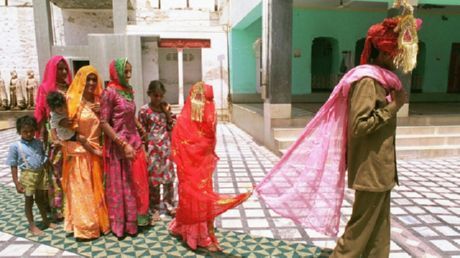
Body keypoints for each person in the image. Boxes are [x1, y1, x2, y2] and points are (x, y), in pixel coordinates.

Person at [256, 3, 421, 258]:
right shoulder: (367, 81)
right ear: (385, 52)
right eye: (395, 52)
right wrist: (394, 106)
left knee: (379, 228)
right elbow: (359, 125)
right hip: (371, 169)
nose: (398, 59)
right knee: (360, 229)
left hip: (381, 169)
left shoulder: (384, 81)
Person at [168, 81, 252, 252]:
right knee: (194, 197)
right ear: (197, 101)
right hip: (190, 170)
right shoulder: (184, 121)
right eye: (207, 101)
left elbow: (207, 142)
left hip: (201, 170)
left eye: (211, 101)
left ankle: (192, 230)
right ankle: (195, 235)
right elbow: (180, 144)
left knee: (199, 196)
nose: (210, 106)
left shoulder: (199, 120)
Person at [100, 58, 149, 238]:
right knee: (122, 186)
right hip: (119, 146)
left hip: (134, 142)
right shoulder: (109, 92)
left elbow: (129, 114)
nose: (129, 75)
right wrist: (122, 143)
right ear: (117, 72)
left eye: (130, 71)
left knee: (135, 184)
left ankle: (133, 222)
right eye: (125, 72)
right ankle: (120, 225)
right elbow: (104, 122)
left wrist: (139, 127)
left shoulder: (128, 91)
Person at [61, 65, 110, 240]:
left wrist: (103, 112)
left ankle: (98, 224)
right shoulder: (72, 100)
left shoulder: (100, 100)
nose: (91, 82)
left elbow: (109, 125)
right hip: (79, 155)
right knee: (82, 192)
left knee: (97, 190)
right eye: (87, 79)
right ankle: (85, 228)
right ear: (81, 80)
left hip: (97, 153)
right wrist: (80, 139)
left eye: (94, 79)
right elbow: (62, 129)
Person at [34, 56, 72, 221]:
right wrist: (39, 140)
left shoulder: (71, 88)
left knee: (71, 172)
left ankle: (72, 206)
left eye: (65, 69)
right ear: (52, 70)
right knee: (56, 173)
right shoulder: (45, 88)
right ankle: (58, 208)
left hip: (71, 135)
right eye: (60, 69)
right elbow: (41, 115)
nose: (64, 72)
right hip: (54, 137)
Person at [6, 115, 57, 236]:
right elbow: (13, 165)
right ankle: (32, 226)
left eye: (31, 131)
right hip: (27, 176)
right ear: (19, 132)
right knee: (29, 200)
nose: (28, 134)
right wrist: (16, 182)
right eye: (25, 132)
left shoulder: (38, 143)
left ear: (35, 130)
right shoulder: (15, 147)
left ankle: (45, 220)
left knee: (41, 199)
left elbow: (42, 156)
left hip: (40, 174)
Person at [138, 80, 177, 224]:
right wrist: (144, 151)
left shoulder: (165, 109)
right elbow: (141, 132)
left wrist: (167, 113)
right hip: (152, 149)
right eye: (155, 96)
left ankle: (169, 205)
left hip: (166, 148)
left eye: (161, 96)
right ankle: (154, 208)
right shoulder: (144, 111)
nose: (158, 99)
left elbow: (171, 127)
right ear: (149, 94)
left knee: (168, 179)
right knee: (153, 180)